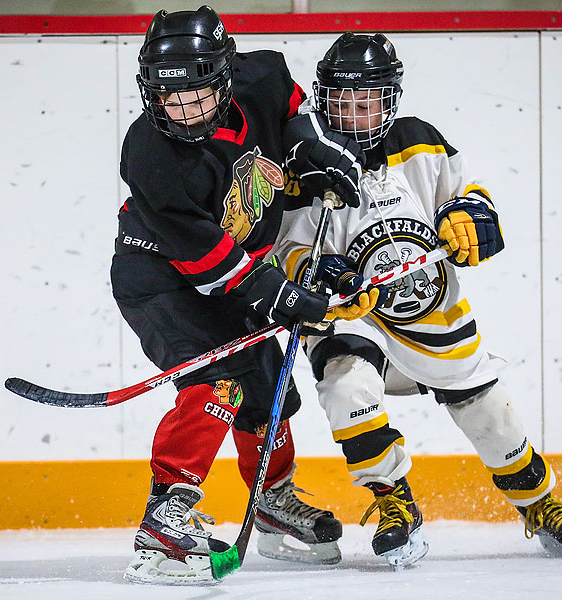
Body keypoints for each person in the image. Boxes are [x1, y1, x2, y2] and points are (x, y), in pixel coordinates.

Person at [273, 32, 562, 569]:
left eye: (368, 99)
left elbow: (473, 198)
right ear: (322, 98)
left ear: (390, 99)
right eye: (341, 100)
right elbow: (286, 246)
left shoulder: (418, 141)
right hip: (356, 317)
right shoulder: (304, 160)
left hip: (433, 314)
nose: (354, 112)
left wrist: (470, 219)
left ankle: (540, 504)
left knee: (490, 412)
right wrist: (316, 272)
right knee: (347, 382)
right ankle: (393, 502)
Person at [111, 7, 368, 585]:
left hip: (234, 267)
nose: (183, 110)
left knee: (267, 386)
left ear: (224, 78)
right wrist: (277, 291)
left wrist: (309, 153)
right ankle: (165, 520)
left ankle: (272, 501)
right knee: (215, 382)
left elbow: (293, 111)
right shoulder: (150, 154)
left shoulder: (261, 76)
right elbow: (205, 261)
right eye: (169, 98)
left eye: (198, 95)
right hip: (158, 276)